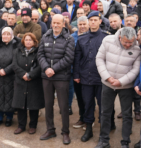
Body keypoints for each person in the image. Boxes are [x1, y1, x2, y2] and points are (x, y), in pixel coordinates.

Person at [95, 27, 141, 148]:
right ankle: (104, 140)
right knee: (105, 112)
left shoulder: (137, 48)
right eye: (125, 42)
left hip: (126, 86)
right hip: (107, 84)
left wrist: (121, 81)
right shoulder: (107, 40)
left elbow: (136, 69)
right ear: (120, 37)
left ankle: (125, 142)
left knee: (126, 114)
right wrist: (107, 77)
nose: (128, 45)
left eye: (130, 43)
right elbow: (99, 59)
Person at [38, 14, 75, 145]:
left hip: (61, 77)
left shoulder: (69, 39)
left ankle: (65, 132)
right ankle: (50, 130)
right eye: (54, 23)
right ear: (51, 23)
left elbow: (69, 58)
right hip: (46, 77)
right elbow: (40, 54)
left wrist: (54, 69)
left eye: (59, 23)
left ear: (63, 24)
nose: (56, 25)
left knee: (63, 106)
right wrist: (46, 68)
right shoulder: (45, 36)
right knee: (48, 105)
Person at [73, 11, 110, 142]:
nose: (93, 22)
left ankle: (103, 133)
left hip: (101, 78)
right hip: (86, 77)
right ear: (88, 22)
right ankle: (89, 129)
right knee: (88, 103)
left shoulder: (106, 38)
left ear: (100, 21)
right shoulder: (82, 38)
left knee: (103, 105)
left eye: (95, 20)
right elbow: (77, 57)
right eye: (91, 20)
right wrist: (76, 74)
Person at [12, 33, 44, 135]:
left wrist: (30, 75)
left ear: (34, 42)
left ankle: (33, 126)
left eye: (30, 40)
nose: (28, 42)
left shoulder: (38, 52)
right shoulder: (17, 51)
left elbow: (40, 66)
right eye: (26, 40)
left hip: (34, 82)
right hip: (20, 81)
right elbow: (14, 65)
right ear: (23, 41)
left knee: (33, 105)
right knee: (21, 105)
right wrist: (23, 75)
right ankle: (21, 126)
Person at [0, 27, 20, 127]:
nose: (6, 36)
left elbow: (16, 61)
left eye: (8, 34)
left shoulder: (15, 46)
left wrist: (6, 70)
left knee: (9, 96)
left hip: (10, 76)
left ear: (11, 35)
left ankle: (9, 117)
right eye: (4, 34)